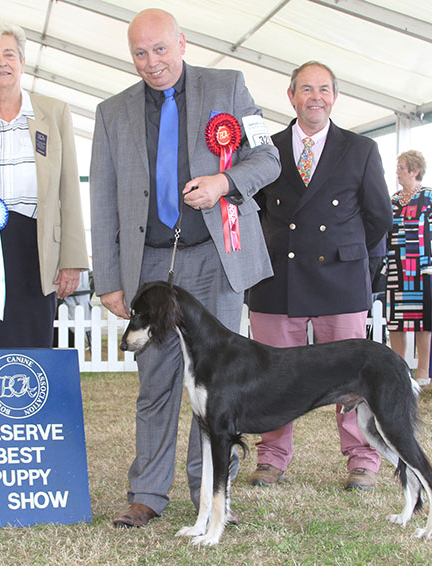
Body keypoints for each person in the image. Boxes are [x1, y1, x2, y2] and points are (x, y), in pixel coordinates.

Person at [89, 8, 280, 528]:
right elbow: (102, 198)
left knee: (216, 387)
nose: (152, 63)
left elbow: (268, 158)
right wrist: (108, 278)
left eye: (161, 49)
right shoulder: (112, 112)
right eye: (140, 53)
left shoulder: (230, 86)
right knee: (155, 384)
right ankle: (147, 493)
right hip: (150, 266)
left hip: (216, 260)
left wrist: (224, 183)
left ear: (183, 43)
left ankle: (212, 495)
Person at [247, 61, 393, 491]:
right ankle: (271, 458)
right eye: (307, 89)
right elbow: (248, 212)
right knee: (272, 377)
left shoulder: (360, 148)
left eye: (324, 89)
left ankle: (363, 460)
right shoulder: (265, 150)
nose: (316, 97)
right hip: (277, 281)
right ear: (290, 96)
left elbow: (378, 215)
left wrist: (346, 252)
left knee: (353, 378)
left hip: (341, 281)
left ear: (334, 96)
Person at [0, 19, 88, 348]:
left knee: (31, 349)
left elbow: (69, 192)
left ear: (22, 61)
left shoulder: (54, 112)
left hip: (37, 254)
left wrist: (72, 260)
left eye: (9, 54)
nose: (1, 62)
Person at [386, 150, 432, 386]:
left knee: (422, 322)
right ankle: (398, 372)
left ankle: (424, 372)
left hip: (425, 269)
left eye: (401, 167)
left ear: (415, 170)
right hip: (397, 268)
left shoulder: (430, 196)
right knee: (396, 321)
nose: (397, 171)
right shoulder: (393, 200)